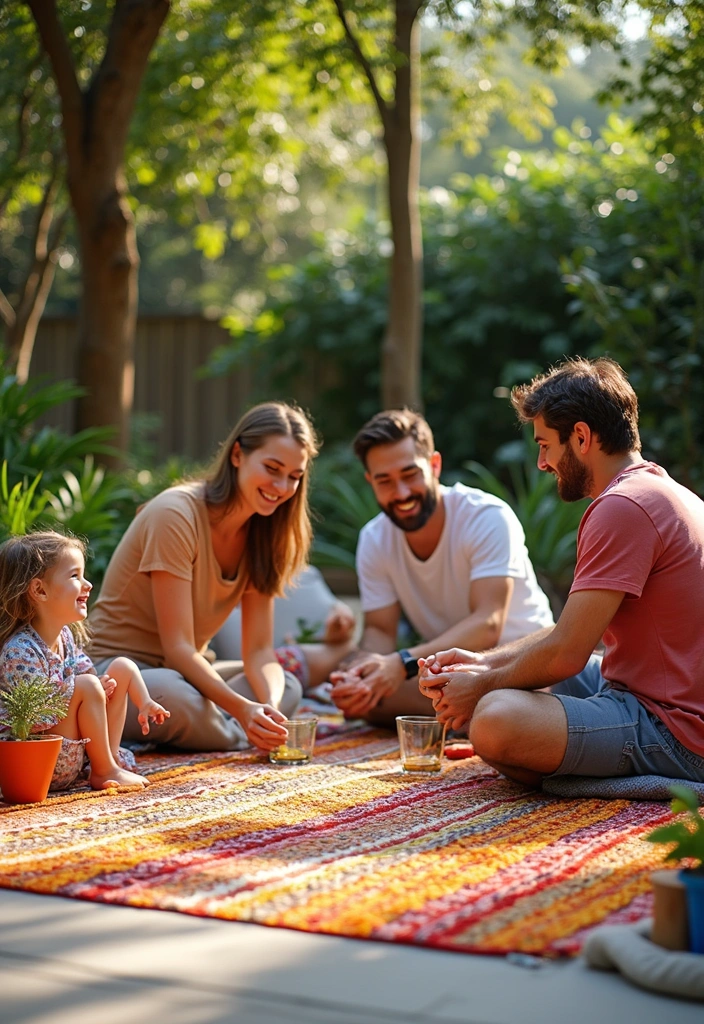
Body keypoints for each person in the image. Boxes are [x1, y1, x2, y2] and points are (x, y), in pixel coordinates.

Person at [420, 356, 704, 787]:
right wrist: (483, 663)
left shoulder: (622, 507)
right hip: (649, 693)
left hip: (678, 732)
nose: (542, 462)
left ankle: (609, 783)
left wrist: (480, 687)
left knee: (495, 720)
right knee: (515, 689)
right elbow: (569, 634)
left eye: (545, 445)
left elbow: (566, 655)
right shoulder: (661, 491)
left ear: (582, 437)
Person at [88, 401, 320, 752]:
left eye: (294, 476)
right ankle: (233, 735)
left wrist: (266, 708)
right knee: (175, 696)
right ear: (238, 455)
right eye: (272, 468)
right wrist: (243, 710)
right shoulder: (175, 514)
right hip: (120, 673)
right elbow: (178, 647)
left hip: (186, 673)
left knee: (286, 685)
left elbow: (259, 652)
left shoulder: (264, 535)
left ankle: (221, 729)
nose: (282, 486)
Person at [330, 409, 554, 725]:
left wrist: (402, 662)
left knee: (497, 711)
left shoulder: (486, 516)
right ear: (370, 481)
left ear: (435, 465)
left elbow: (488, 623)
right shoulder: (374, 538)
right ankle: (466, 720)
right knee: (366, 699)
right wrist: (365, 675)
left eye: (410, 475)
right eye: (385, 481)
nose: (402, 493)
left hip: (520, 669)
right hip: (449, 676)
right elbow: (380, 630)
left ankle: (487, 721)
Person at [0, 532, 168, 791]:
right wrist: (84, 689)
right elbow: (33, 719)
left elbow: (86, 674)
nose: (87, 584)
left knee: (120, 668)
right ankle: (105, 770)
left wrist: (137, 699)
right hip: (43, 761)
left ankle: (108, 760)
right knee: (88, 685)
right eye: (74, 576)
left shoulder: (64, 636)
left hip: (74, 752)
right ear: (39, 590)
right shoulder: (18, 650)